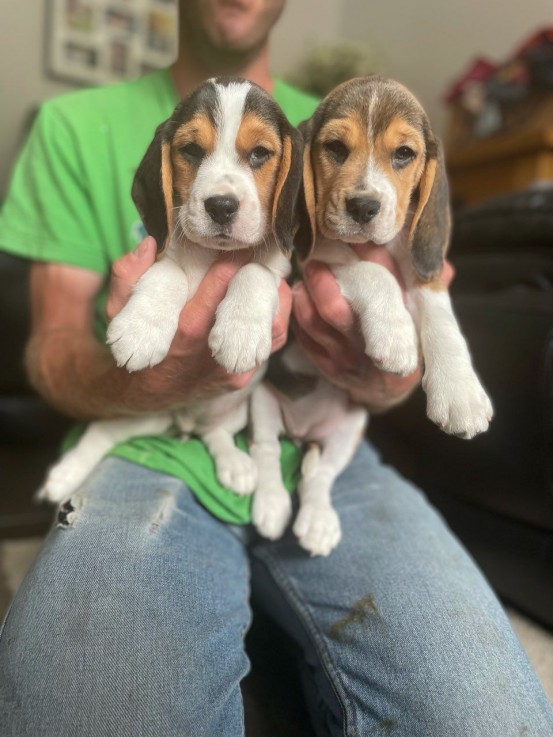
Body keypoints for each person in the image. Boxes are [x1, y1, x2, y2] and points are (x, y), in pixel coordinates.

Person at [0, 2, 551, 735]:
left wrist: (386, 378)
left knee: (486, 716)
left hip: (324, 448)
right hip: (150, 444)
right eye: (196, 152)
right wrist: (157, 377)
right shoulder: (72, 125)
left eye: (258, 155)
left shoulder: (328, 123)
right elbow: (50, 347)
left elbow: (397, 292)